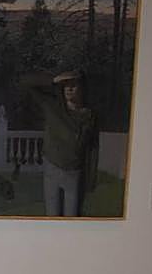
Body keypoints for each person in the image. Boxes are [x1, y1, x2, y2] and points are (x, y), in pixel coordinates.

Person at [21, 69, 99, 216]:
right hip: (53, 169)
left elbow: (93, 148)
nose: (69, 89)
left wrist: (90, 179)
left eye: (74, 85)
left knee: (72, 218)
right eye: (66, 85)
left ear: (82, 88)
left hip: (74, 173)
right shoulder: (52, 106)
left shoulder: (90, 116)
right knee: (53, 219)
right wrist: (53, 80)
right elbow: (25, 82)